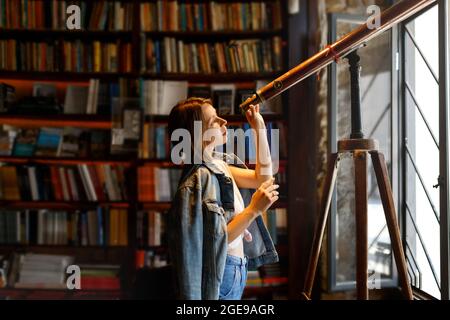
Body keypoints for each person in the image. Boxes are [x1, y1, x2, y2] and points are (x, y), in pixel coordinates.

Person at [167, 97, 279, 300]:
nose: (224, 122)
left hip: (237, 269)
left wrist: (259, 127)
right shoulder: (197, 182)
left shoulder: (220, 166)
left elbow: (263, 177)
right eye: (214, 121)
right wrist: (253, 210)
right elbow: (217, 240)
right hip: (222, 272)